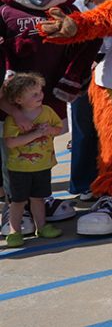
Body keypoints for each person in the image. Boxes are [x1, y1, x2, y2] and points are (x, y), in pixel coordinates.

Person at [69, 0, 112, 201]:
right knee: (83, 130)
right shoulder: (77, 6)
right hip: (82, 72)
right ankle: (80, 184)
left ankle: (104, 180)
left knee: (107, 131)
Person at [3, 73, 64, 247]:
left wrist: (50, 130)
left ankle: (42, 226)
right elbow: (11, 142)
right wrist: (36, 134)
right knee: (18, 201)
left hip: (43, 165)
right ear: (19, 99)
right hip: (19, 168)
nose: (40, 96)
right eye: (34, 94)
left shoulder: (47, 111)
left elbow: (59, 129)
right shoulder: (13, 119)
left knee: (38, 198)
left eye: (40, 92)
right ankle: (15, 231)